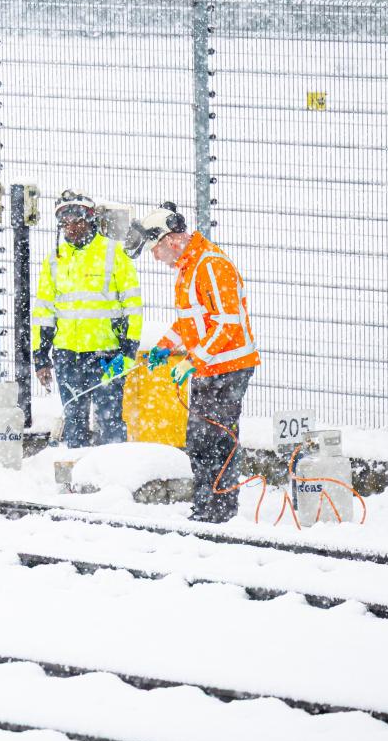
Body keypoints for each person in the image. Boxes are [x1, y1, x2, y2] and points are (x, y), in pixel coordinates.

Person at [129, 202, 259, 522]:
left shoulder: (211, 266)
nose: (156, 258)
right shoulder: (189, 270)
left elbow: (228, 323)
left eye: (155, 250)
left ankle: (220, 508)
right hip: (208, 366)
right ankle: (205, 505)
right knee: (199, 439)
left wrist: (194, 360)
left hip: (229, 367)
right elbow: (191, 323)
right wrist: (164, 347)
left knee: (217, 439)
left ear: (171, 240)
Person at [30, 190, 142, 448]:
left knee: (111, 419)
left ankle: (113, 479)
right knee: (74, 420)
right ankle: (76, 480)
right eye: (66, 223)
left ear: (90, 221)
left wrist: (129, 348)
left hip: (108, 354)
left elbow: (133, 306)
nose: (71, 228)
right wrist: (40, 355)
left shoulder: (114, 254)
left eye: (77, 221)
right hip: (68, 356)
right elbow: (44, 310)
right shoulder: (54, 260)